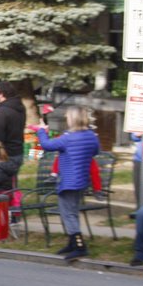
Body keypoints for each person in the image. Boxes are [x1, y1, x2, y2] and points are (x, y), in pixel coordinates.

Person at [30, 106, 101, 261]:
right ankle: (71, 242)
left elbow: (47, 145)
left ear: (73, 119)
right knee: (73, 211)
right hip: (82, 180)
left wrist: (42, 131)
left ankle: (79, 245)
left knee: (67, 214)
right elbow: (95, 151)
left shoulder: (68, 138)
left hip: (68, 180)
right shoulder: (91, 136)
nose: (66, 119)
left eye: (68, 117)